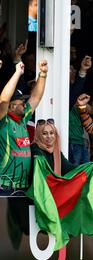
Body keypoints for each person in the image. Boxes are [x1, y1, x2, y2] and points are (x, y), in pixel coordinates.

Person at [0, 60, 48, 195]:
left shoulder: (23, 118)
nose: (24, 104)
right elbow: (3, 100)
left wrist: (43, 74)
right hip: (5, 187)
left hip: (24, 187)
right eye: (21, 102)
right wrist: (17, 73)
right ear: (11, 106)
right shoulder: (3, 121)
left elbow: (35, 97)